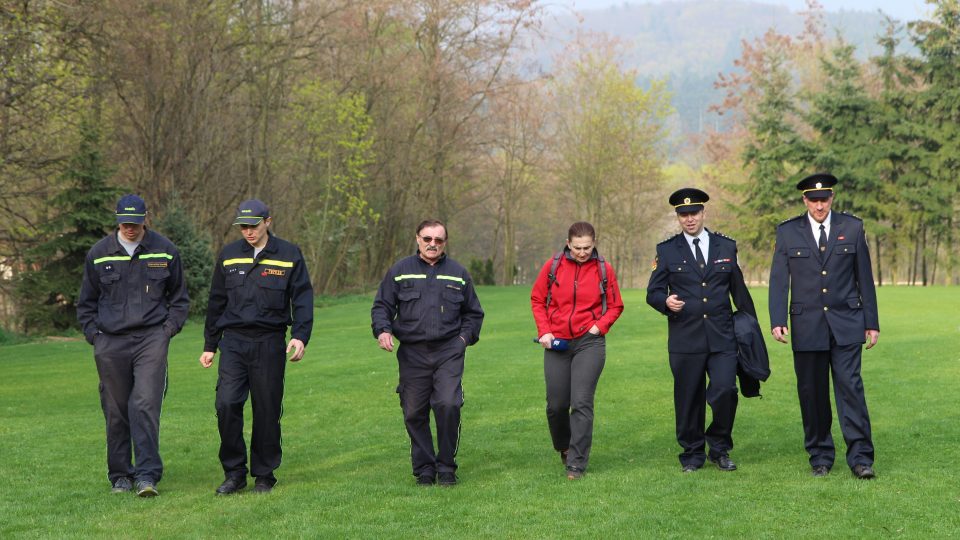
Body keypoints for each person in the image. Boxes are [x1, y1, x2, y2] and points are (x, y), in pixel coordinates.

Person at [77, 194, 190, 497]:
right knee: (115, 410)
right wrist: (95, 336)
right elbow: (85, 303)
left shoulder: (165, 251)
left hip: (152, 338)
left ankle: (147, 476)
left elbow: (179, 299)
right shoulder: (99, 253)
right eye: (125, 223)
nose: (130, 229)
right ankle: (120, 476)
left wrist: (167, 330)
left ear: (146, 219)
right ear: (117, 221)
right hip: (110, 342)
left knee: (144, 405)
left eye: (135, 223)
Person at [199, 199, 314, 495]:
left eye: (253, 225)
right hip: (234, 342)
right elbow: (216, 302)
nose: (248, 232)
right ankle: (234, 473)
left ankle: (264, 474)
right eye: (243, 227)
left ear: (268, 222)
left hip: (269, 342)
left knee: (266, 410)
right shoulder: (228, 255)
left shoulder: (289, 254)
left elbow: (302, 299)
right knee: (226, 404)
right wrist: (210, 344)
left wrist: (300, 336)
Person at [768, 173, 879, 479]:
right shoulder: (788, 232)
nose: (819, 206)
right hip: (807, 325)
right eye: (813, 200)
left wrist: (872, 322)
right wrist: (777, 319)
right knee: (812, 393)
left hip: (847, 323)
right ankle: (820, 455)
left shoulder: (852, 228)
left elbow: (864, 279)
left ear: (832, 198)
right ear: (804, 200)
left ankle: (861, 458)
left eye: (824, 199)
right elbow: (779, 279)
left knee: (851, 390)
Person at [646, 188, 757, 473]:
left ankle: (719, 447)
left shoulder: (726, 247)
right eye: (683, 214)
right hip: (685, 338)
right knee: (688, 398)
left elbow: (739, 292)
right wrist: (665, 301)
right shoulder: (667, 250)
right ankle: (693, 453)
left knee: (725, 391)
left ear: (703, 213)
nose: (689, 219)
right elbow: (653, 292)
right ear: (678, 217)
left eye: (694, 213)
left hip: (722, 337)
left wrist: (752, 331)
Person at [371, 220, 484, 487]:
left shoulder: (458, 273)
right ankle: (424, 468)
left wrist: (462, 340)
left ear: (445, 243)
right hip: (412, 353)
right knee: (413, 411)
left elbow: (474, 314)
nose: (433, 244)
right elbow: (382, 306)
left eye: (439, 240)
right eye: (427, 239)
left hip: (448, 351)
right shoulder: (400, 271)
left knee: (448, 403)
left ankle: (446, 466)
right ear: (417, 239)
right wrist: (383, 330)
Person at [530, 221, 624, 480]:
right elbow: (537, 299)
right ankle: (563, 445)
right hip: (557, 342)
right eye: (577, 247)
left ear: (594, 243)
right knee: (556, 405)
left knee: (581, 402)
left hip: (589, 343)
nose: (582, 252)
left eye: (587, 247)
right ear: (568, 243)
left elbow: (616, 306)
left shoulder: (604, 269)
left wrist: (598, 327)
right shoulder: (553, 266)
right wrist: (544, 331)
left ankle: (576, 463)